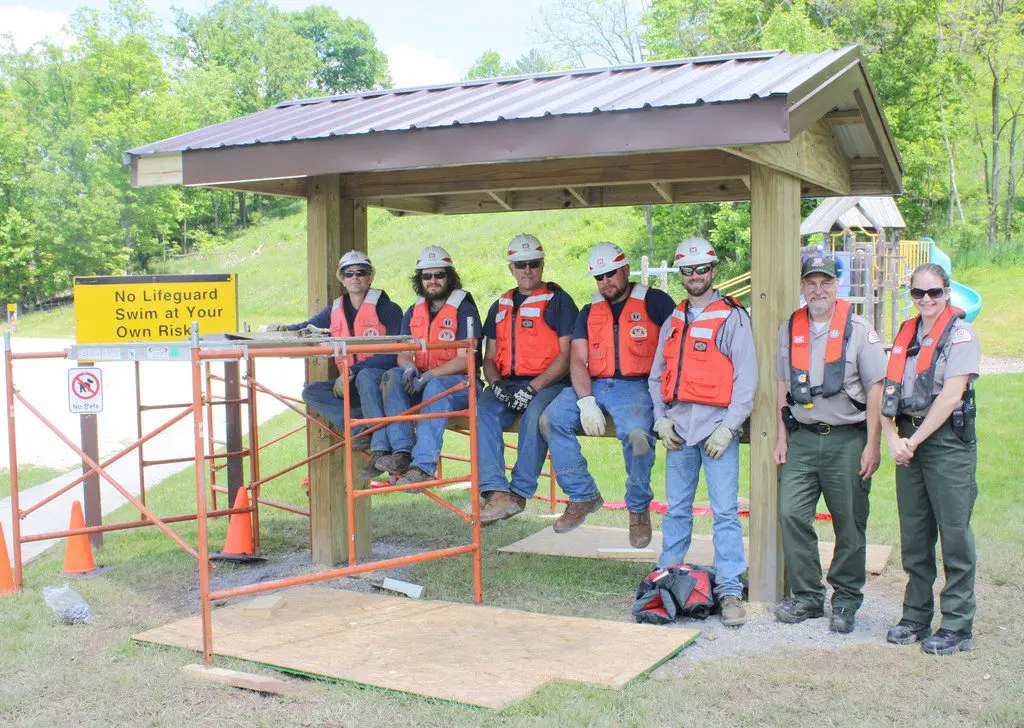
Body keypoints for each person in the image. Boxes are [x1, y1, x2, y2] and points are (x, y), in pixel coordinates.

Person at [772, 256, 886, 634]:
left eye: (825, 283)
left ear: (837, 286)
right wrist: (781, 435)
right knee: (791, 513)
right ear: (803, 287)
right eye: (811, 283)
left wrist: (873, 445)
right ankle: (807, 597)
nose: (818, 290)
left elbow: (876, 390)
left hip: (847, 440)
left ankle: (847, 600)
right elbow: (781, 386)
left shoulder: (858, 330)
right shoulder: (790, 328)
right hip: (803, 439)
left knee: (849, 522)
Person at [647, 237, 756, 627]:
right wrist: (660, 418)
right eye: (688, 270)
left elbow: (747, 380)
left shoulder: (733, 317)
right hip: (679, 429)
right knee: (676, 510)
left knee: (725, 513)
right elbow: (657, 374)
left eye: (702, 269)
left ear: (713, 271)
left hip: (715, 431)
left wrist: (729, 429)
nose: (695, 276)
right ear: (681, 274)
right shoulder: (674, 319)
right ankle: (667, 580)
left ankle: (729, 590)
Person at [539, 242, 675, 546]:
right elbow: (577, 358)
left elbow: (676, 348)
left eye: (610, 273)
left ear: (626, 269)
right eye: (598, 276)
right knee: (551, 419)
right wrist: (585, 400)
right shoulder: (589, 311)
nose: (605, 282)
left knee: (638, 434)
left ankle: (638, 508)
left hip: (638, 385)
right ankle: (582, 494)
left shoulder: (656, 302)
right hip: (594, 384)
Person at [880, 262, 980, 656]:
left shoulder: (961, 334)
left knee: (954, 534)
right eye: (918, 293)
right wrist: (892, 437)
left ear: (947, 292)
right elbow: (886, 391)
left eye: (934, 292)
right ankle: (915, 615)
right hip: (907, 439)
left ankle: (956, 624)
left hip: (945, 444)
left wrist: (914, 441)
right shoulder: (907, 334)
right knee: (915, 533)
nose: (926, 300)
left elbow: (951, 394)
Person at [261, 251, 403, 479]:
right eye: (349, 273)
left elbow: (396, 352)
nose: (355, 277)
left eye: (361, 272)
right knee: (312, 391)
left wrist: (352, 371)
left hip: (380, 384)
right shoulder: (334, 309)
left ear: (371, 277)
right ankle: (361, 429)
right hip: (350, 384)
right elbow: (307, 327)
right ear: (342, 279)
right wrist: (284, 329)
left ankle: (379, 448)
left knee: (367, 377)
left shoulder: (389, 309)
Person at [477, 234, 579, 524]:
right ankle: (495, 492)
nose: (527, 270)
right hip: (507, 382)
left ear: (542, 264)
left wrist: (533, 387)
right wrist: (495, 385)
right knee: (483, 411)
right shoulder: (500, 305)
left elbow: (565, 354)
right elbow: (489, 357)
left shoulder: (558, 300)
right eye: (520, 265)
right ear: (511, 268)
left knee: (536, 414)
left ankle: (519, 492)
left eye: (533, 263)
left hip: (549, 383)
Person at [375, 246, 481, 488]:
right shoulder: (413, 310)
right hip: (423, 381)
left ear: (450, 277)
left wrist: (429, 375)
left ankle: (423, 466)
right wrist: (410, 368)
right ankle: (401, 453)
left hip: (460, 385)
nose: (433, 281)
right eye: (426, 276)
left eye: (439, 275)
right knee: (392, 375)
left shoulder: (465, 310)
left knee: (435, 385)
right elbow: (403, 352)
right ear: (420, 280)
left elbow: (466, 359)